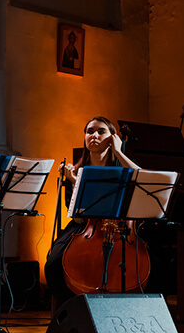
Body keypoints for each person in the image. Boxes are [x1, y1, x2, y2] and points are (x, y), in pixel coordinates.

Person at [45, 116, 140, 313]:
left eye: (101, 131)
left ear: (112, 137)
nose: (94, 135)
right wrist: (73, 181)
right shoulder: (76, 171)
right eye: (90, 131)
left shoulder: (122, 166)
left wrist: (119, 152)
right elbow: (78, 215)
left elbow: (142, 179)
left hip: (118, 228)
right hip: (84, 227)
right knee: (54, 263)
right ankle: (72, 313)